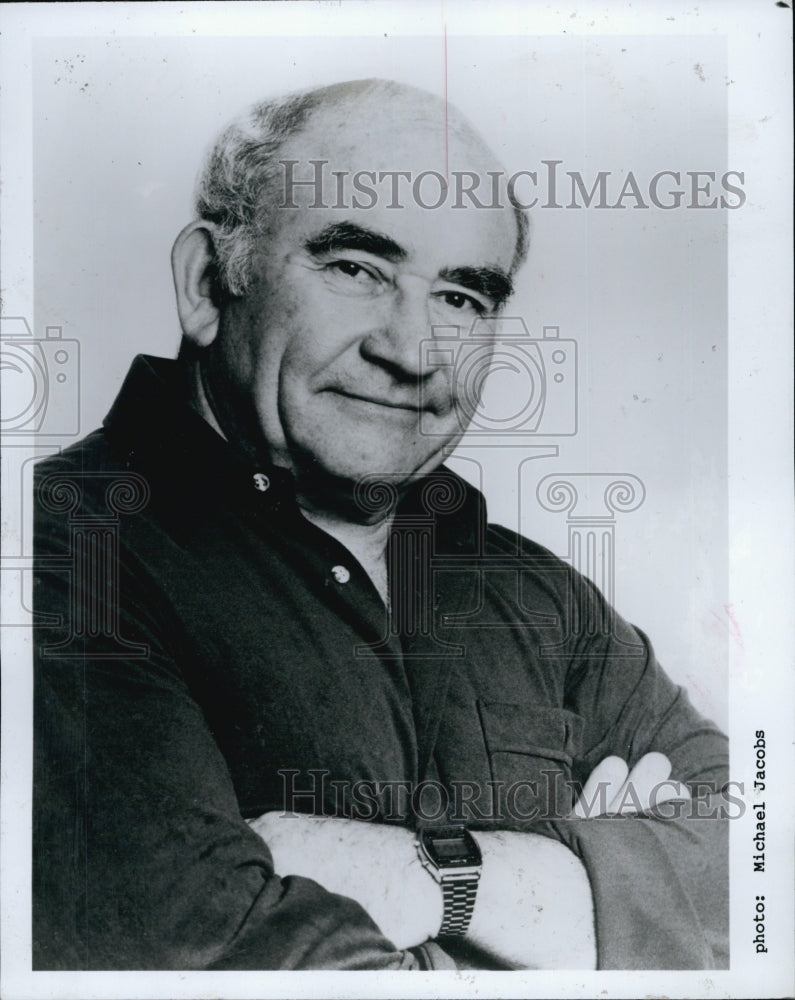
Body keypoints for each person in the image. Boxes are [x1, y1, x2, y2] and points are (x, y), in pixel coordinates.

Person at [33, 78, 729, 971]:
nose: (409, 351)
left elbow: (763, 876)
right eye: (355, 268)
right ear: (207, 284)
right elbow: (212, 961)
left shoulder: (543, 597)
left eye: (462, 299)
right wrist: (602, 911)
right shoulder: (65, 554)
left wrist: (446, 882)